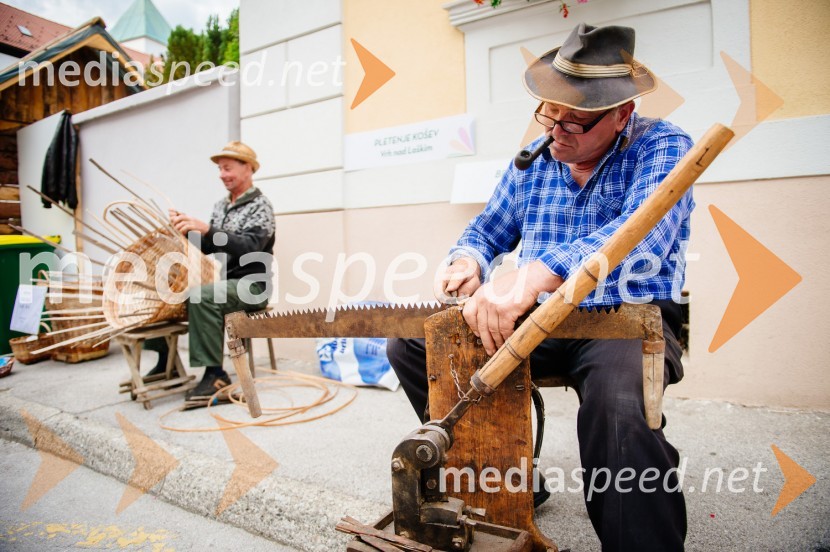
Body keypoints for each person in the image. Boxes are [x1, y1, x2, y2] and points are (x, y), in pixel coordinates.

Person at [387, 23, 690, 551]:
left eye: (576, 121)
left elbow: (637, 241)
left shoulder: (664, 148)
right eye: (550, 114)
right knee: (416, 344)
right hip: (543, 318)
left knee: (619, 411)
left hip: (625, 316)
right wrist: (469, 258)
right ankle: (510, 476)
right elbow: (488, 228)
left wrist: (533, 274)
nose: (557, 133)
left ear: (622, 114)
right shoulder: (535, 159)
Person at [150, 141, 275, 409]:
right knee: (162, 293)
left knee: (202, 296)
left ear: (248, 169)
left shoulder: (261, 206)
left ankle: (214, 374)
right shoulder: (221, 206)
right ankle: (166, 362)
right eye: (220, 169)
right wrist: (186, 229)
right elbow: (210, 245)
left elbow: (249, 247)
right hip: (226, 284)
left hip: (252, 286)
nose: (222, 174)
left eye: (227, 168)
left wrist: (206, 228)